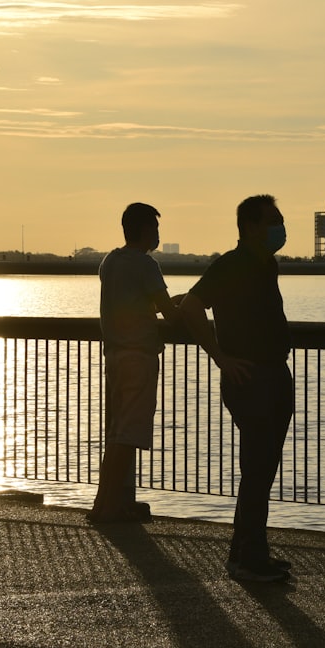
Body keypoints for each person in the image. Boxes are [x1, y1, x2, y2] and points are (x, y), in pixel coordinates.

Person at [177, 194, 294, 582]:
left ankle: (244, 550)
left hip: (274, 373)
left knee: (264, 466)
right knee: (258, 468)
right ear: (250, 227)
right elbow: (192, 306)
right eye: (273, 221)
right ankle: (250, 559)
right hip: (251, 377)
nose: (280, 227)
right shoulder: (232, 264)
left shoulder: (267, 264)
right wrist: (221, 358)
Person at [90, 202, 186, 523]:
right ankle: (109, 508)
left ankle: (106, 503)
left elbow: (133, 307)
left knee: (118, 433)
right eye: (156, 229)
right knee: (125, 436)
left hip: (114, 355)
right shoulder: (146, 265)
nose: (158, 235)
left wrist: (161, 306)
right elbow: (169, 315)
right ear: (145, 230)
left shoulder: (110, 262)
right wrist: (189, 305)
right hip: (139, 357)